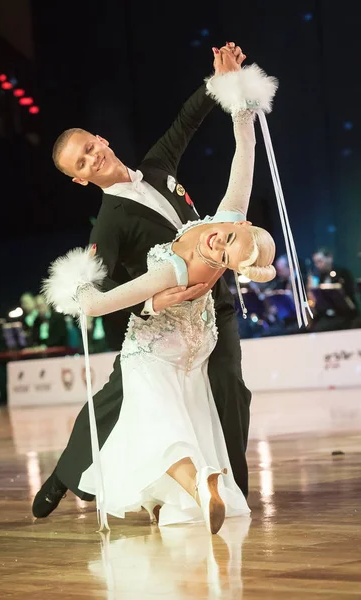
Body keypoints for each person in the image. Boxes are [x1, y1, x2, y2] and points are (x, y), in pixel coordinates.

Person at [43, 58, 277, 534]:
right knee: (120, 398)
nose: (92, 159)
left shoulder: (157, 166)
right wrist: (154, 303)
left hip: (215, 305)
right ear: (80, 179)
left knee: (230, 389)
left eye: (90, 148)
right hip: (161, 320)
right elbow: (102, 290)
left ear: (102, 140)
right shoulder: (108, 224)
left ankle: (230, 490)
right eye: (81, 164)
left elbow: (187, 120)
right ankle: (64, 475)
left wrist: (226, 83)